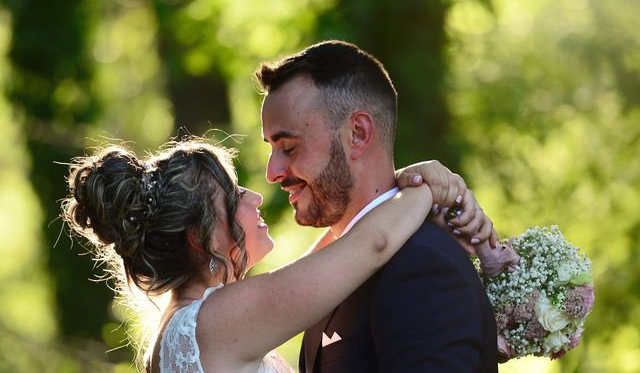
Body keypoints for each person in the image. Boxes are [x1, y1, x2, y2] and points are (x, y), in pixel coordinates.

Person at [61, 138, 492, 372]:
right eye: (232, 197)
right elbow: (370, 245)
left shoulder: (192, 325)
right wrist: (429, 186)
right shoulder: (213, 322)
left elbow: (337, 254)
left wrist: (391, 185)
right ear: (199, 239)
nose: (253, 197)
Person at [256, 40, 498, 372]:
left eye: (289, 146)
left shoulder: (422, 266)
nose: (273, 172)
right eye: (271, 148)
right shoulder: (331, 272)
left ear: (358, 133)